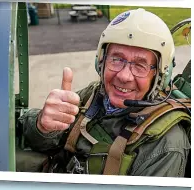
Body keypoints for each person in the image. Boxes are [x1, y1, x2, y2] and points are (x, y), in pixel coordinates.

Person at [18, 8, 191, 176]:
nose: (124, 76)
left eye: (140, 65)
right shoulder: (92, 95)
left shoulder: (167, 145)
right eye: (116, 59)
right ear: (100, 62)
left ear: (160, 75)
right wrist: (43, 125)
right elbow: (35, 139)